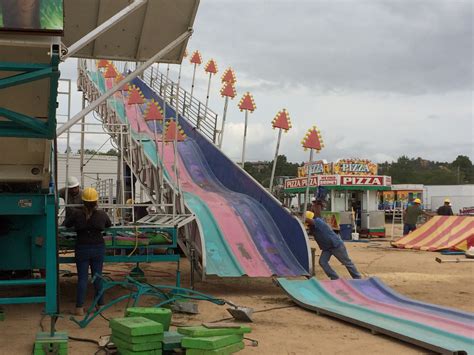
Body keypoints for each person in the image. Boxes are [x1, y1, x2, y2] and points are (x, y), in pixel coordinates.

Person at [64, 187, 111, 316]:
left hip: (82, 248)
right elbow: (109, 224)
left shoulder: (77, 214)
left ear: (82, 201)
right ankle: (100, 305)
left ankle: (79, 308)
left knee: (83, 279)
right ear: (96, 201)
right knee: (98, 277)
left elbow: (66, 224)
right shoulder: (102, 214)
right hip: (98, 248)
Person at [306, 205, 361, 280]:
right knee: (322, 262)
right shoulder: (313, 226)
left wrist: (299, 217)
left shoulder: (318, 222)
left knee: (347, 263)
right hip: (327, 248)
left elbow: (309, 220)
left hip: (336, 246)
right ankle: (334, 278)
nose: (308, 226)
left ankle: (357, 278)